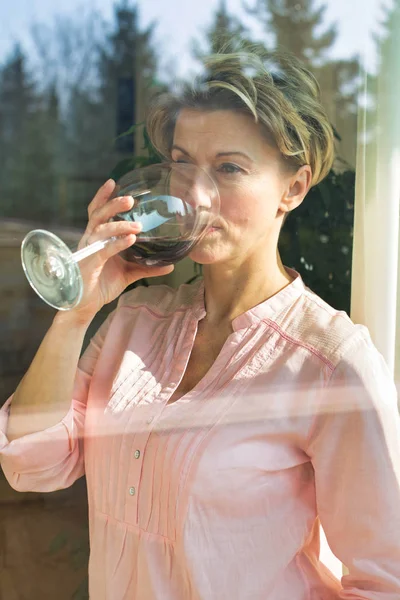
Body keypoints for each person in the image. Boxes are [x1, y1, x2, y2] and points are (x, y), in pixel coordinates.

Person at [1, 48, 400, 599]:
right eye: (183, 163)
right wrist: (78, 313)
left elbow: (386, 581)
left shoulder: (332, 364)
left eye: (229, 168)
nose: (195, 192)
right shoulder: (135, 321)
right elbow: (32, 465)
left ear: (295, 187)